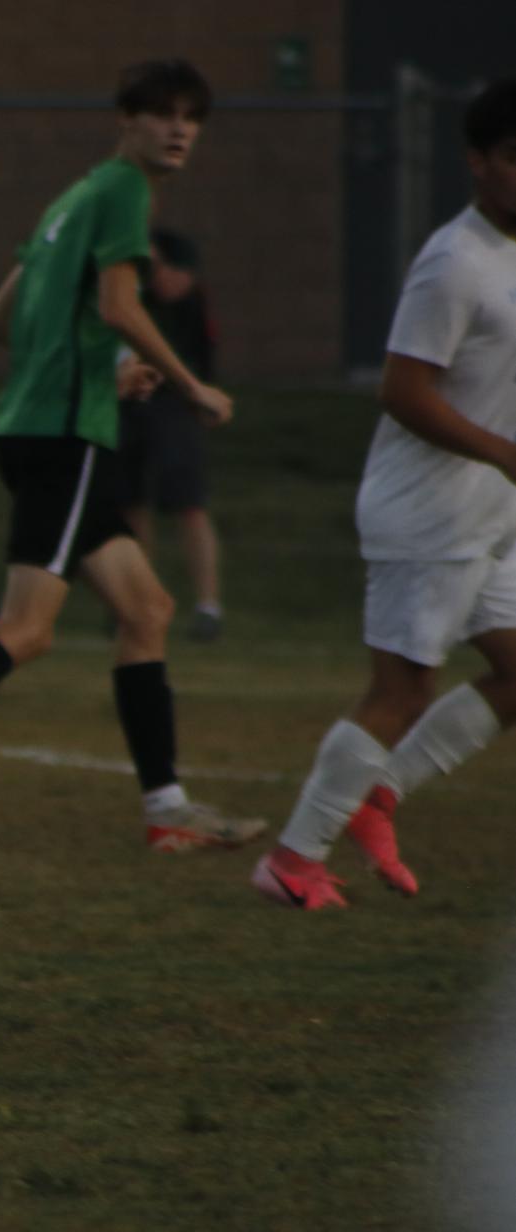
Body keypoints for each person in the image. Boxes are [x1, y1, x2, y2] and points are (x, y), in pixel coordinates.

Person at [0, 59, 263, 857]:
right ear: (126, 120)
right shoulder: (123, 193)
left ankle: (165, 809)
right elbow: (119, 305)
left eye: (191, 115)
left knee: (145, 609)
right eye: (161, 113)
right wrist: (191, 385)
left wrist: (103, 365)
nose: (179, 128)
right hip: (63, 436)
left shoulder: (70, 199)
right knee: (25, 627)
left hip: (37, 427)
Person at [251, 80, 516, 911]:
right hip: (426, 513)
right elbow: (403, 391)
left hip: (486, 513)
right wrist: (503, 452)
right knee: (400, 693)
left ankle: (381, 791)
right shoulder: (454, 260)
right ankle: (291, 860)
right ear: (476, 162)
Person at [119, 227, 223, 642]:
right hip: (127, 402)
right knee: (130, 503)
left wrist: (199, 396)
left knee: (187, 503)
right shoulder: (128, 293)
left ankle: (208, 603)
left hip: (174, 405)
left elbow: (203, 354)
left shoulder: (191, 300)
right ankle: (138, 599)